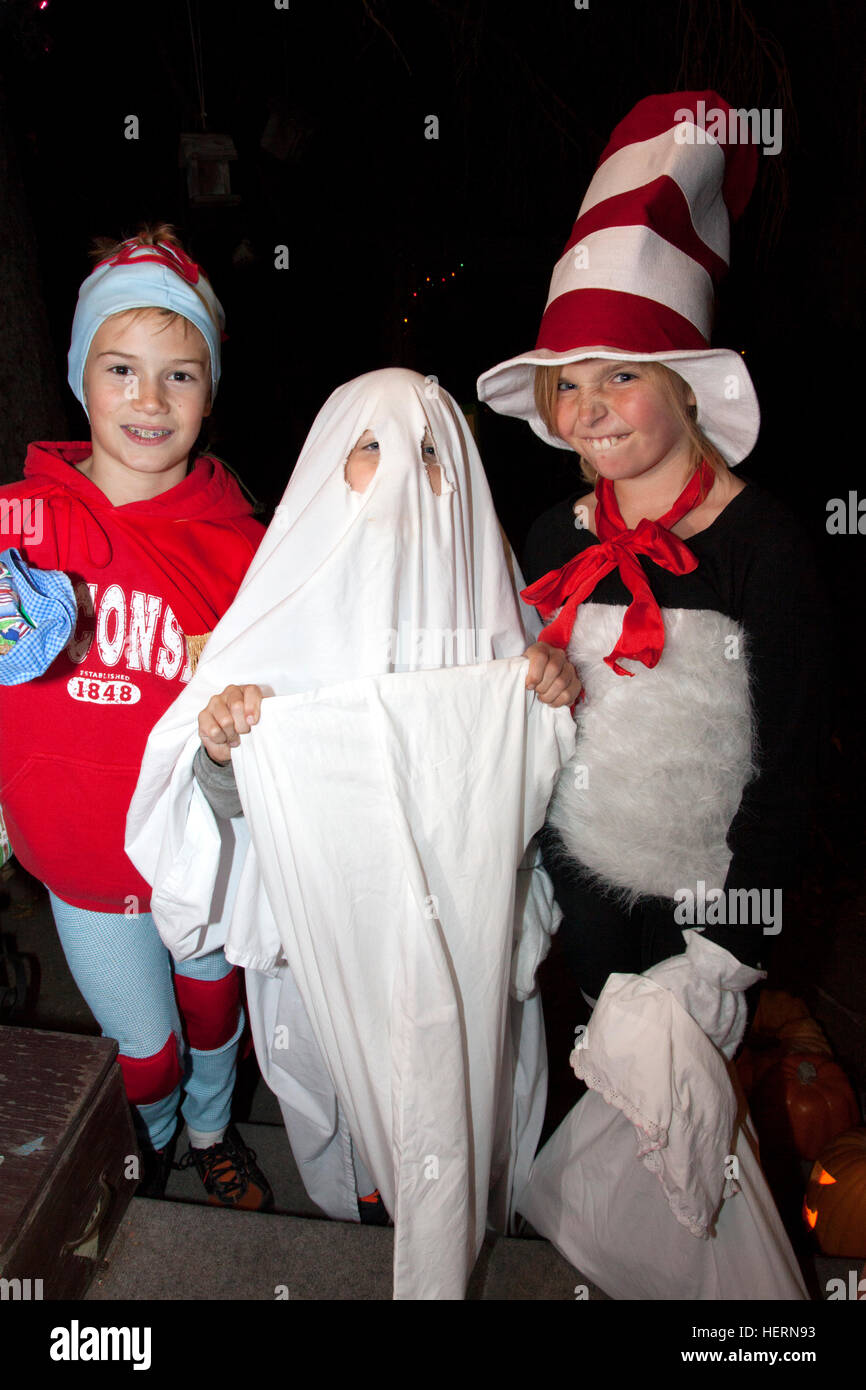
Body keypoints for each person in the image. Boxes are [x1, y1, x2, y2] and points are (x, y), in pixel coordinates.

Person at [126, 367, 579, 1298]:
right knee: (361, 1112)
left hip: (460, 944)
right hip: (330, 942)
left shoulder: (495, 611)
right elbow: (213, 816)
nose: (404, 473)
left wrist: (550, 705)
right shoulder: (278, 607)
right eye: (371, 448)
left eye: (428, 453)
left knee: (458, 1105)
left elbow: (538, 801)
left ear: (461, 475)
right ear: (330, 467)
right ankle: (373, 1212)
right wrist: (223, 748)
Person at [475, 91, 822, 1298]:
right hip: (580, 882)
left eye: (621, 376)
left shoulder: (765, 547)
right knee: (598, 1085)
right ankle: (598, 1262)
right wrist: (537, 689)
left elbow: (798, 760)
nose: (587, 410)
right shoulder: (537, 530)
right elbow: (508, 715)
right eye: (567, 387)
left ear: (685, 390)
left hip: (707, 897)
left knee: (685, 1114)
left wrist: (729, 941)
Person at [0, 225, 273, 1208]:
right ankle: (146, 1144)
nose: (149, 401)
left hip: (198, 851)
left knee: (212, 1008)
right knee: (142, 1049)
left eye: (180, 375)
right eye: (121, 368)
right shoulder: (17, 524)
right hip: (78, 859)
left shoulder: (244, 544)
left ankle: (211, 1128)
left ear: (209, 390)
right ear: (80, 376)